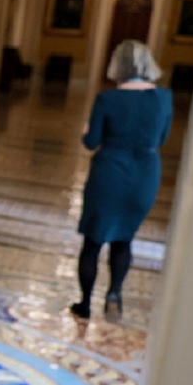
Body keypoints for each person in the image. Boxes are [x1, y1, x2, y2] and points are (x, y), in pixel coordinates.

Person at [70, 40, 172, 322]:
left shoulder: (108, 99)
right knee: (124, 239)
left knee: (93, 242)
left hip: (110, 174)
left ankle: (84, 303)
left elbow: (91, 142)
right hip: (144, 177)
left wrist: (86, 130)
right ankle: (114, 293)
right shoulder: (163, 98)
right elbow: (162, 139)